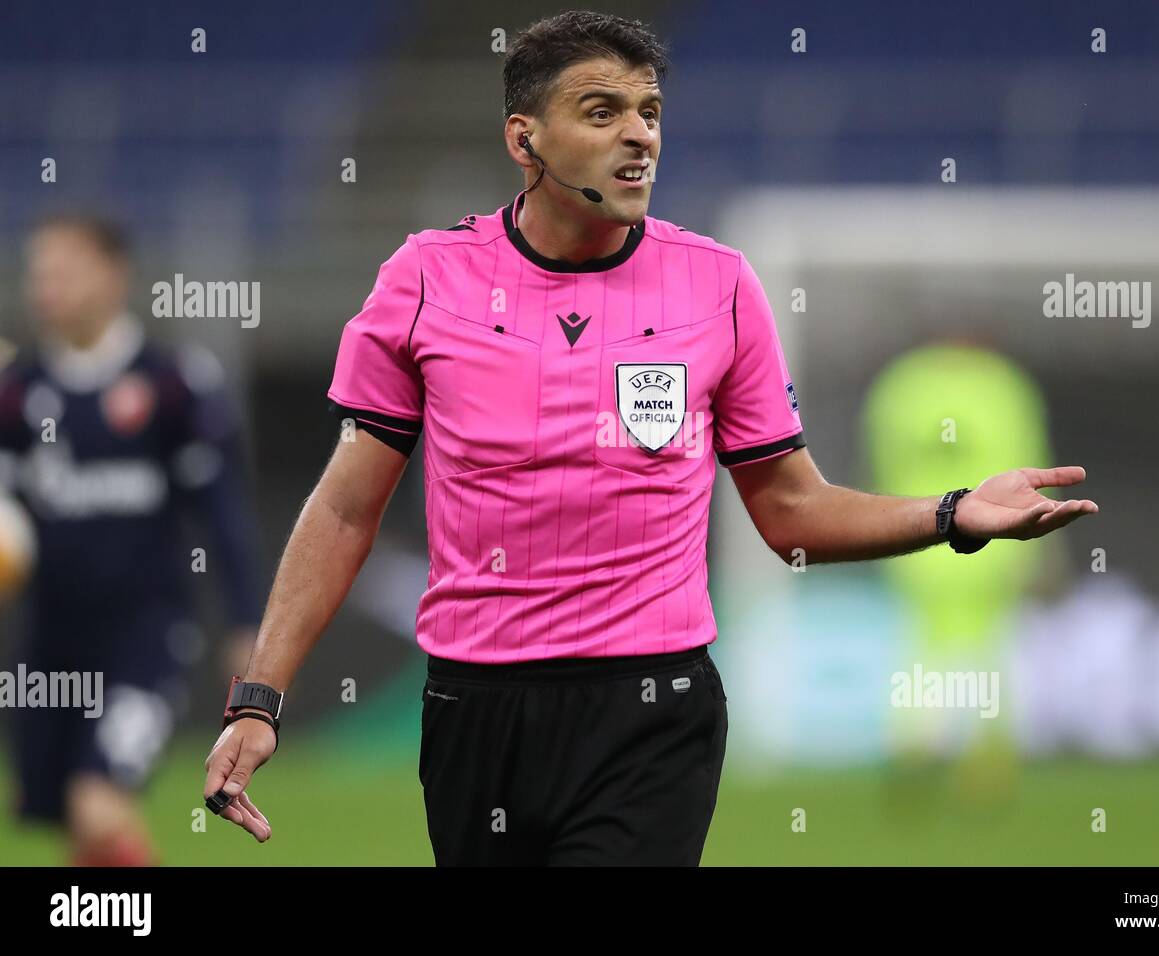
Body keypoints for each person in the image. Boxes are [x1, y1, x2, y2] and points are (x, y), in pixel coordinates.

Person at [203, 11, 1097, 866]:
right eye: (603, 111)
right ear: (526, 141)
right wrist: (260, 699)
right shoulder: (428, 280)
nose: (640, 135)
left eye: (650, 112)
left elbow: (790, 510)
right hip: (477, 707)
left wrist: (954, 513)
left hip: (653, 706)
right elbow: (347, 509)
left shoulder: (718, 286)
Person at [0, 213, 263, 865]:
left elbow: (223, 514)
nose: (46, 288)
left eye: (63, 271)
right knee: (72, 822)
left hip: (145, 639)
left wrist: (246, 622)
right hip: (49, 646)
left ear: (113, 276)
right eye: (39, 274)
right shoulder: (18, 393)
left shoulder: (173, 384)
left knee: (98, 803)